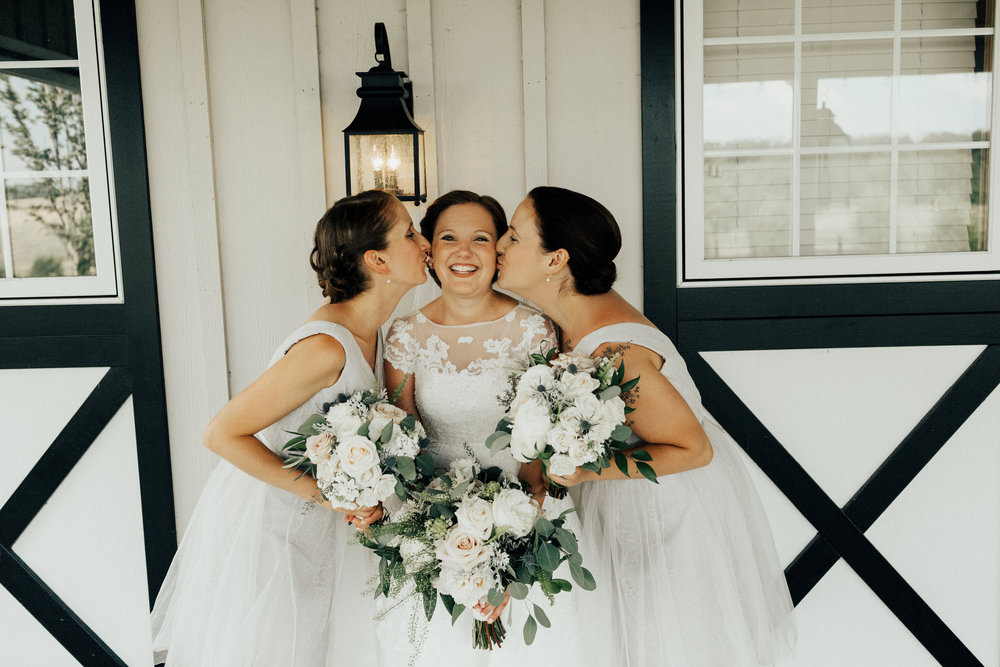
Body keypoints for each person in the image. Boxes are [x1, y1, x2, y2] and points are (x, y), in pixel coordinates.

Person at [495, 186, 796, 667]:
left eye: (512, 237)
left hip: (664, 516)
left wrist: (587, 470)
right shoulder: (569, 326)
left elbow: (693, 449)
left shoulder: (617, 352)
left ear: (556, 261)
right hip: (623, 507)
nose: (499, 247)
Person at [150, 190, 430, 666]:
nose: (424, 243)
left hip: (333, 533)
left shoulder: (377, 333)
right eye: (410, 232)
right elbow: (221, 433)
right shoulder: (326, 347)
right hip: (277, 529)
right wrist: (333, 496)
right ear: (377, 259)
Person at [377, 190, 584, 665]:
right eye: (448, 237)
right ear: (429, 249)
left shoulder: (536, 329)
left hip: (528, 516)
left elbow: (543, 449)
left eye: (481, 238)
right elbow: (404, 445)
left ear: (498, 252)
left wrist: (509, 553)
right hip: (434, 527)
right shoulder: (405, 334)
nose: (464, 251)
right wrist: (446, 547)